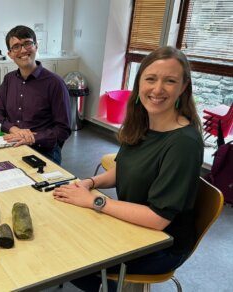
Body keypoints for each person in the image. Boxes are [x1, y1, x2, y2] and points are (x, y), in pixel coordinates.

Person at [53, 46, 203, 291]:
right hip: (133, 225)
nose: (157, 89)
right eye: (151, 79)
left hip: (160, 244)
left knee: (69, 257)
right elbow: (123, 169)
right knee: (63, 231)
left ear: (183, 87)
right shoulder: (143, 123)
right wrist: (89, 184)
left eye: (170, 81)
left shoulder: (183, 143)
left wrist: (95, 202)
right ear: (139, 83)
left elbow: (158, 219)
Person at [0, 25, 71, 165]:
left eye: (27, 43)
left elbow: (63, 129)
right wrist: (14, 130)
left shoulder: (55, 83)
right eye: (16, 46)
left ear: (36, 46)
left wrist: (33, 137)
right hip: (12, 144)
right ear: (10, 54)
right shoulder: (9, 79)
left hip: (44, 151)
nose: (22, 50)